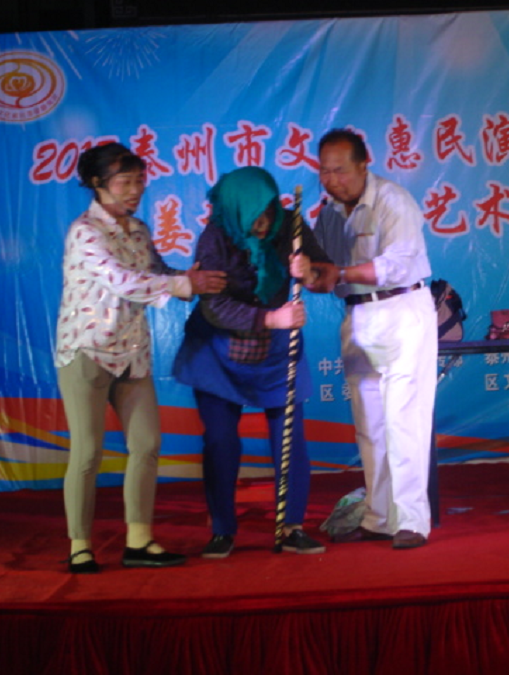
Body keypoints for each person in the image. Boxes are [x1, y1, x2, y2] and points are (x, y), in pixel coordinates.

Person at [56, 142, 227, 574]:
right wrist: (182, 286)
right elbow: (123, 281)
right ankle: (80, 545)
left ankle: (138, 541)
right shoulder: (85, 232)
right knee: (88, 452)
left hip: (132, 352)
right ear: (97, 183)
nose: (135, 190)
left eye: (139, 181)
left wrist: (190, 277)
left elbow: (155, 273)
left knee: (147, 444)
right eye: (125, 182)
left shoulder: (137, 229)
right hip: (87, 350)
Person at [172, 166, 332, 558]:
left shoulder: (290, 224)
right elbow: (215, 306)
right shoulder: (216, 236)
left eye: (268, 212)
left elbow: (326, 276)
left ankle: (291, 526)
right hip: (218, 348)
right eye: (254, 215)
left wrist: (309, 271)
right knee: (221, 440)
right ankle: (222, 529)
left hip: (276, 349)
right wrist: (271, 318)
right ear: (235, 211)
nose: (262, 223)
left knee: (289, 438)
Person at [305, 128, 438, 549]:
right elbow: (325, 274)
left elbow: (397, 264)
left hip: (401, 311)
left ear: (365, 165)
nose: (332, 180)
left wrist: (340, 273)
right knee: (370, 426)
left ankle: (413, 520)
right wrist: (308, 273)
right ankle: (380, 517)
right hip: (358, 316)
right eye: (325, 172)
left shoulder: (392, 201)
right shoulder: (328, 214)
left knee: (404, 421)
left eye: (340, 170)